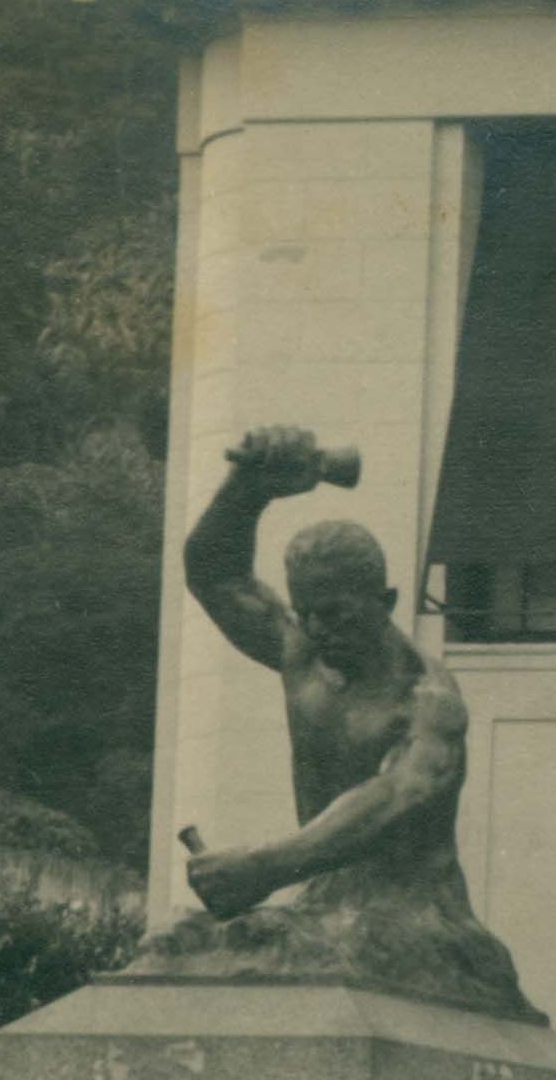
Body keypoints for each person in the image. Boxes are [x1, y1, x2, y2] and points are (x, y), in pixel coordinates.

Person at [137, 424, 535, 1019]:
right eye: (307, 614)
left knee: (301, 952)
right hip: (319, 905)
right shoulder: (303, 654)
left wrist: (264, 865)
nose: (319, 630)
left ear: (386, 602)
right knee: (175, 946)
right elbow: (215, 576)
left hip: (416, 917)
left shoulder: (427, 698)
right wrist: (247, 490)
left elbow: (398, 793)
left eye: (337, 614)